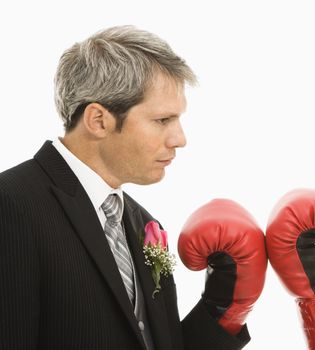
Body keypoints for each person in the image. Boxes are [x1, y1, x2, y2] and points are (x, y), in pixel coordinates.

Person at [0, 25, 266, 350]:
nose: (180, 139)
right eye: (162, 120)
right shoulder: (10, 203)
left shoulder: (145, 224)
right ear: (98, 120)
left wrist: (223, 305)